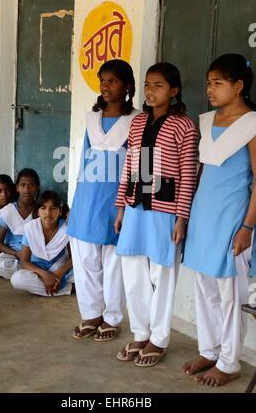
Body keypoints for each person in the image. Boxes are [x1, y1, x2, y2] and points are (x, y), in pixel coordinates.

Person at [115, 62, 197, 366]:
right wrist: (121, 207)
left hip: (165, 210)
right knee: (133, 271)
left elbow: (188, 175)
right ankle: (140, 332)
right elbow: (130, 167)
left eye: (158, 85)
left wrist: (182, 218)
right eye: (147, 85)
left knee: (161, 275)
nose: (151, 91)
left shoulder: (184, 125)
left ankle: (158, 339)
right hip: (136, 206)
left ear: (174, 91)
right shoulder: (138, 123)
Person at [182, 54, 256, 387]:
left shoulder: (252, 124)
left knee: (229, 293)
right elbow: (200, 173)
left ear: (238, 86)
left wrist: (247, 227)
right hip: (203, 217)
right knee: (205, 288)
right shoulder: (207, 120)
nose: (210, 89)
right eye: (208, 83)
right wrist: (186, 218)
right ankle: (209, 349)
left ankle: (229, 361)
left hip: (232, 219)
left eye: (218, 83)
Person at [67, 59, 140, 341]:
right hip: (88, 195)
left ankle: (111, 317)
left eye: (113, 81)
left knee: (113, 262)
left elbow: (138, 164)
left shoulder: (135, 121)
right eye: (103, 81)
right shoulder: (91, 118)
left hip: (116, 197)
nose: (106, 86)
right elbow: (84, 159)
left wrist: (128, 202)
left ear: (127, 86)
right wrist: (77, 198)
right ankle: (91, 314)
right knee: (85, 259)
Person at [11, 191, 73, 296]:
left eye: (53, 208)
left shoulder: (66, 228)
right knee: (17, 279)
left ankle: (53, 286)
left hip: (60, 267)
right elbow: (24, 261)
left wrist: (59, 272)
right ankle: (67, 288)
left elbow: (74, 258)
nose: (48, 213)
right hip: (38, 268)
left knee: (84, 274)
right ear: (38, 212)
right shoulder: (30, 228)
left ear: (60, 211)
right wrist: (44, 275)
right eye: (43, 208)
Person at [0, 168, 40, 280]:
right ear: (17, 188)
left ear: (37, 188)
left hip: (35, 254)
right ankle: (34, 273)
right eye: (23, 185)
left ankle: (32, 272)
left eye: (31, 185)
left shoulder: (41, 210)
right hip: (14, 255)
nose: (27, 189)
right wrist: (17, 254)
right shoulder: (8, 211)